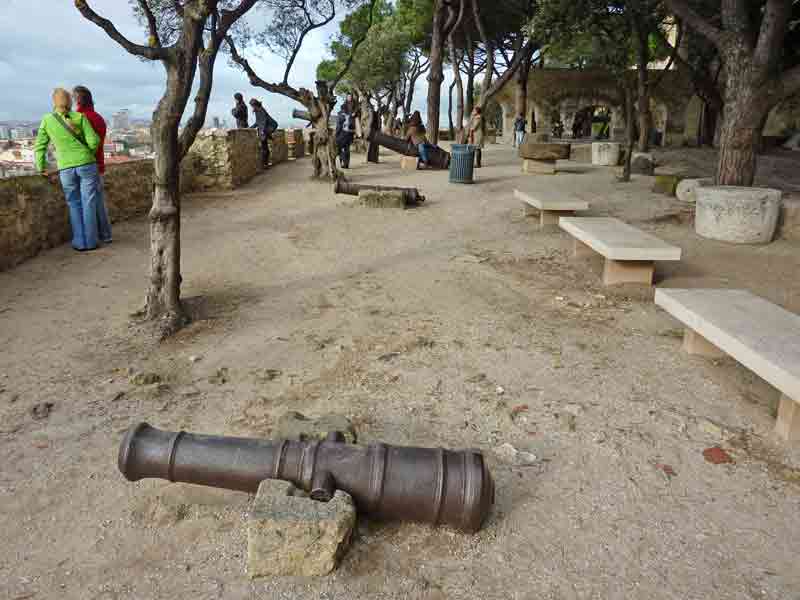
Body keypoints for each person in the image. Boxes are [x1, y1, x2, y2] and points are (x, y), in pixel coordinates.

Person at [34, 88, 102, 252]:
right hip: (86, 164)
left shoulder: (47, 120)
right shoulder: (80, 117)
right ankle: (91, 242)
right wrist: (87, 155)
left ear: (54, 102)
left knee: (73, 204)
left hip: (65, 167)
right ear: (70, 101)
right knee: (89, 202)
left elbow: (40, 147)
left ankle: (80, 242)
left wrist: (41, 167)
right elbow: (94, 140)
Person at [73, 85, 112, 244]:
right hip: (98, 163)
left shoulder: (78, 118)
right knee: (98, 202)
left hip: (84, 163)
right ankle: (106, 234)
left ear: (77, 101)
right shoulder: (98, 117)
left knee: (87, 203)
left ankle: (91, 238)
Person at [250, 99, 277, 169]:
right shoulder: (259, 110)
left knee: (264, 149)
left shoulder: (260, 110)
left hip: (264, 131)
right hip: (264, 131)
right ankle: (265, 164)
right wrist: (251, 127)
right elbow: (258, 122)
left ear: (254, 105)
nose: (252, 108)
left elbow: (264, 121)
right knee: (265, 148)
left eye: (252, 106)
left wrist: (262, 132)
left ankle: (264, 164)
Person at [335, 99, 356, 169]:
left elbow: (338, 127)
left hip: (342, 135)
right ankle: (347, 164)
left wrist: (336, 135)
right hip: (349, 135)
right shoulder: (349, 115)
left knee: (340, 150)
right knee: (347, 150)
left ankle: (342, 163)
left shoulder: (340, 115)